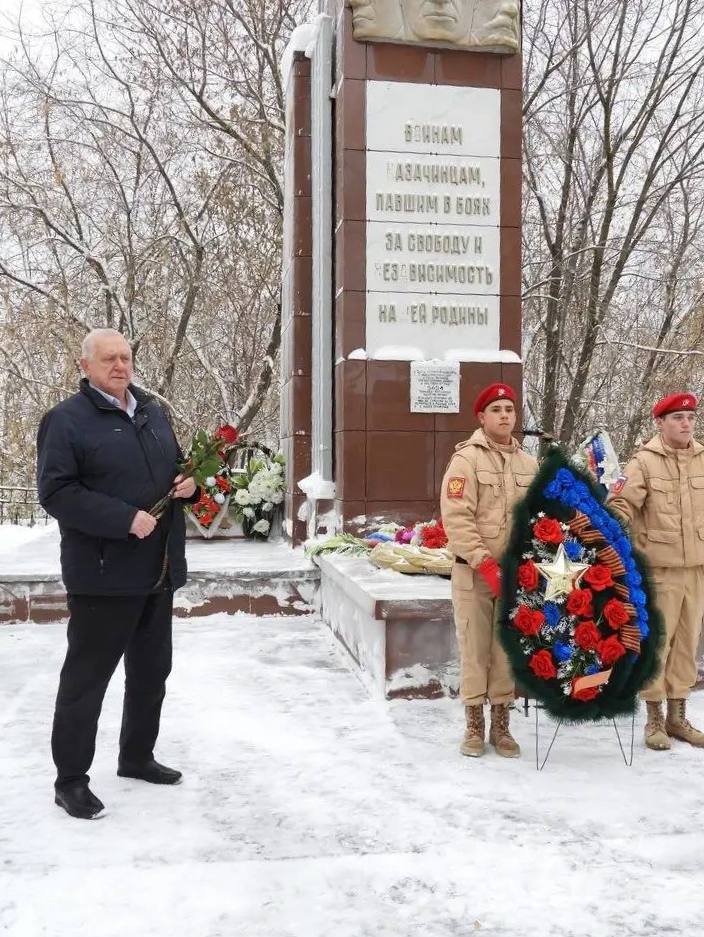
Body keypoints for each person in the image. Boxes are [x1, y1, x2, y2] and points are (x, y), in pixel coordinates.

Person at [37, 328, 199, 819]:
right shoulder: (66, 420)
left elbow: (174, 469)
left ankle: (136, 756)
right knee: (86, 681)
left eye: (125, 357)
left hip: (158, 569)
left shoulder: (152, 411)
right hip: (103, 575)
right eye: (108, 358)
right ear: (84, 365)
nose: (119, 366)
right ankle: (70, 781)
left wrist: (189, 484)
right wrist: (123, 518)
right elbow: (56, 493)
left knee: (151, 673)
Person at [440, 383, 537, 758]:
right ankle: (474, 725)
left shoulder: (528, 464)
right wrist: (484, 562)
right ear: (481, 417)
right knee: (475, 650)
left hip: (515, 577)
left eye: (509, 410)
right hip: (474, 574)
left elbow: (538, 518)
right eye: (496, 410)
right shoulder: (465, 460)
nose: (505, 416)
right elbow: (457, 517)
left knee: (505, 651)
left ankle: (501, 726)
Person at [608, 392, 704, 751]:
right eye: (678, 418)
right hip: (659, 571)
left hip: (696, 569)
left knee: (687, 645)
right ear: (660, 423)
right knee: (657, 645)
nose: (686, 423)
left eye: (690, 417)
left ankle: (678, 717)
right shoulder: (644, 463)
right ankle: (654, 719)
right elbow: (621, 503)